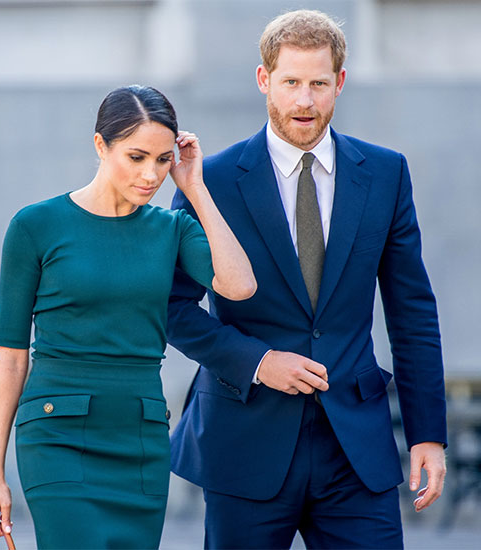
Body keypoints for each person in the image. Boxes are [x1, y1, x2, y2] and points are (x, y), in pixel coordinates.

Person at [167, 9, 447, 549]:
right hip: (244, 441)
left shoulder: (386, 174)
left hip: (355, 449)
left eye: (319, 84)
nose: (304, 101)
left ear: (339, 82)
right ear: (263, 79)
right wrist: (258, 362)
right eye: (291, 82)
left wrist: (428, 434)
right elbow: (174, 308)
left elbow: (412, 312)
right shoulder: (213, 181)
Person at [0, 85, 256, 549]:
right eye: (137, 156)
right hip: (56, 434)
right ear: (100, 145)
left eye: (163, 160)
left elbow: (240, 285)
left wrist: (196, 189)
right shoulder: (35, 226)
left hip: (139, 437)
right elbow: (10, 359)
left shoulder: (172, 228)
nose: (151, 175)